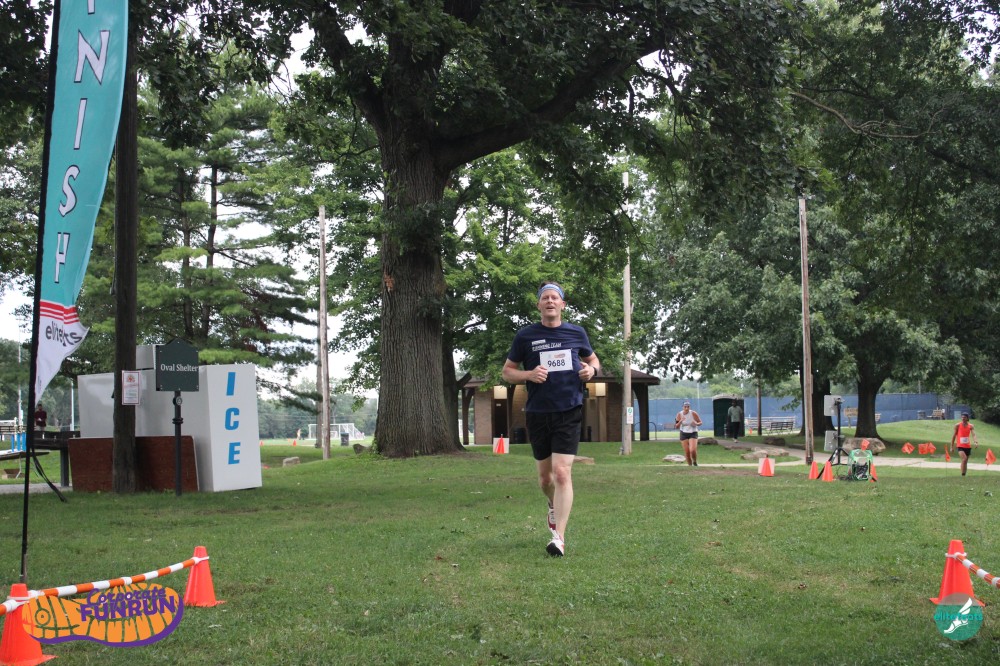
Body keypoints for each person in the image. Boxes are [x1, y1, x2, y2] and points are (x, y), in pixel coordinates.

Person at [502, 282, 600, 557]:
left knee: (562, 472)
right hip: (538, 412)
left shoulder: (576, 333)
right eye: (545, 297)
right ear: (539, 305)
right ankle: (553, 506)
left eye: (554, 297)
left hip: (569, 410)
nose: (549, 301)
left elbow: (594, 361)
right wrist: (528, 375)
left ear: (562, 305)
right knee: (545, 480)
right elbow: (507, 372)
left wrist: (591, 371)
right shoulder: (526, 336)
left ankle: (559, 538)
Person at [950, 412, 979, 477]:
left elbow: (973, 435)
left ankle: (964, 475)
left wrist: (976, 442)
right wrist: (951, 447)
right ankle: (962, 474)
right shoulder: (957, 425)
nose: (963, 418)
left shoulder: (971, 426)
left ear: (967, 418)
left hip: (967, 446)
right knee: (964, 459)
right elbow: (954, 436)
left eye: (964, 417)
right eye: (962, 417)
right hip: (960, 446)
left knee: (965, 461)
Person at [675, 401, 703, 466]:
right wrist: (681, 421)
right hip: (683, 433)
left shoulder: (693, 413)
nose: (686, 408)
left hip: (693, 432)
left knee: (692, 450)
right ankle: (690, 466)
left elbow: (700, 422)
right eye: (685, 407)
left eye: (688, 407)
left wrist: (696, 423)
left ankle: (694, 461)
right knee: (687, 452)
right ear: (682, 407)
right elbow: (676, 426)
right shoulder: (679, 414)